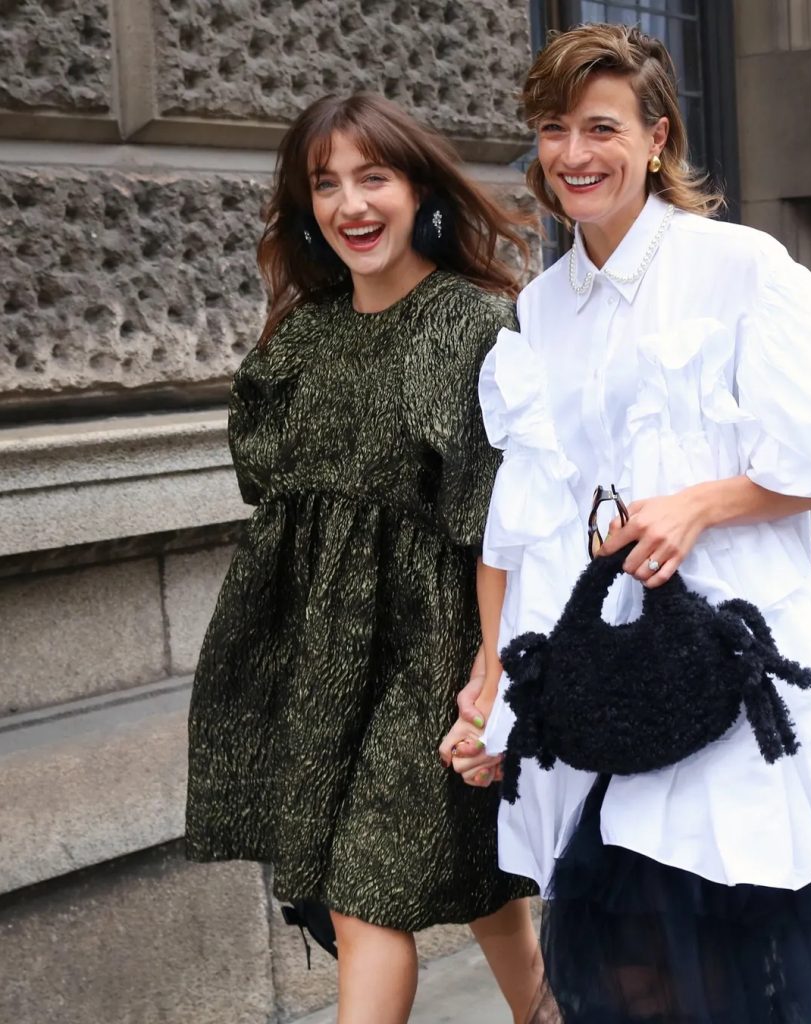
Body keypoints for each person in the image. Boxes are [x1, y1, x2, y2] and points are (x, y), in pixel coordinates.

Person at [443, 24, 811, 1024]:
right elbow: (533, 520)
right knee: (633, 979)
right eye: (554, 129)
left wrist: (704, 502)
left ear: (656, 137)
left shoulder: (738, 268)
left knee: (735, 973)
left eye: (601, 127)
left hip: (725, 676)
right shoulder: (541, 310)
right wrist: (497, 694)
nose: (574, 153)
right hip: (607, 681)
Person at [185, 93, 543, 1024]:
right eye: (326, 184)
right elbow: (271, 490)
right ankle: (548, 1011)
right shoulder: (304, 335)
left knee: (367, 891)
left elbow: (499, 518)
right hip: (317, 652)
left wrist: (493, 667)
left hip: (430, 647)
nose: (351, 204)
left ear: (417, 188)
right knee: (469, 869)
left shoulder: (472, 325)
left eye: (372, 176)